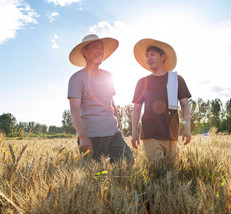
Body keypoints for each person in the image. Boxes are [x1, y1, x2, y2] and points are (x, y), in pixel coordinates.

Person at [67, 34, 134, 163]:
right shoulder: (77, 78)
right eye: (95, 47)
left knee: (128, 160)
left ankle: (107, 171)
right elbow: (74, 110)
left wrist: (118, 128)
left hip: (113, 132)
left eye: (101, 48)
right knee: (94, 171)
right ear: (84, 52)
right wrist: (82, 136)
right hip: (92, 135)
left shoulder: (108, 76)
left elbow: (112, 105)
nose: (100, 51)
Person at [131, 38, 191, 170]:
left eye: (152, 54)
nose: (148, 58)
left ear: (163, 57)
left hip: (171, 134)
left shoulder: (177, 80)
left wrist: (187, 127)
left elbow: (185, 105)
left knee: (170, 174)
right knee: (157, 172)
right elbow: (136, 109)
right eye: (147, 55)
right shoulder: (142, 82)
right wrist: (134, 132)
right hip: (150, 133)